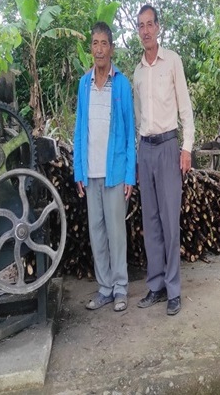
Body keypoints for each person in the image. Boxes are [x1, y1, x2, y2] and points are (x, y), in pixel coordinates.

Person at [133, 4, 195, 316]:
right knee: (151, 221)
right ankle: (156, 285)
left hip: (169, 147)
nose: (146, 31)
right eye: (141, 26)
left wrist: (187, 147)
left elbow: (185, 107)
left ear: (158, 27)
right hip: (145, 150)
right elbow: (138, 117)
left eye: (150, 24)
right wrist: (138, 154)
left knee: (171, 221)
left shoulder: (172, 61)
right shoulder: (137, 72)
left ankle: (173, 290)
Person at [73, 21, 136, 312]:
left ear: (111, 48)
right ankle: (105, 289)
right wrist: (78, 170)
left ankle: (120, 288)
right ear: (92, 48)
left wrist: (130, 175)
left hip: (115, 172)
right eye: (95, 43)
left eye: (104, 44)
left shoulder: (121, 84)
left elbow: (130, 131)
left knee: (116, 233)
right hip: (91, 173)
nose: (99, 49)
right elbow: (79, 130)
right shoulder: (84, 84)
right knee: (96, 233)